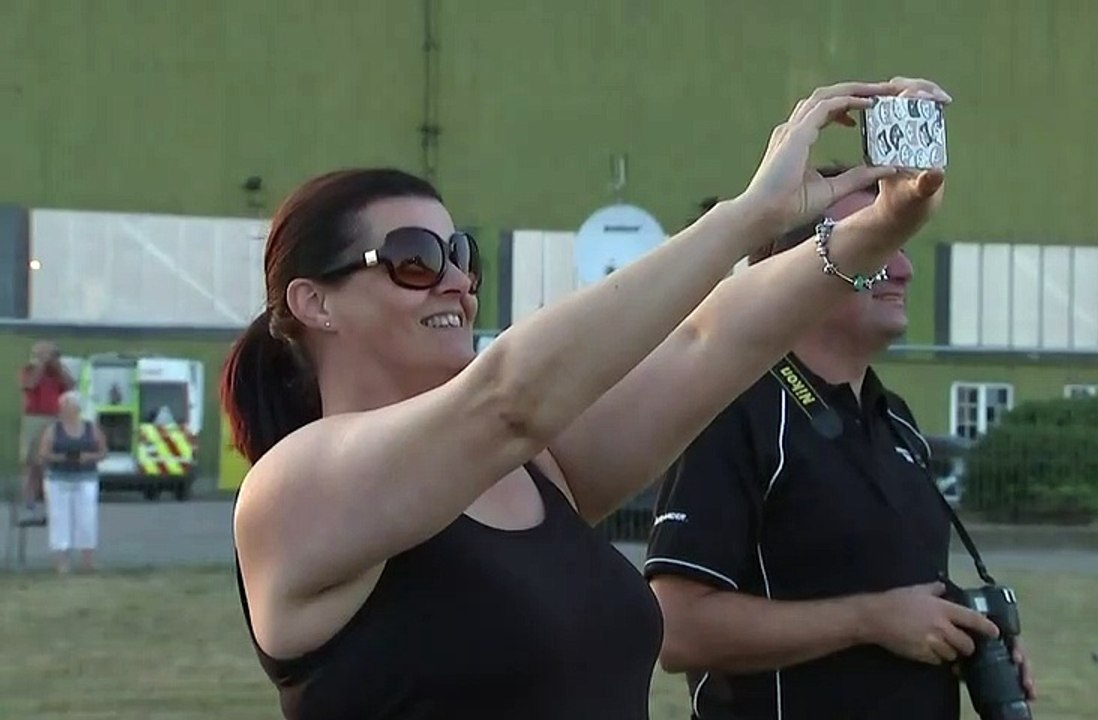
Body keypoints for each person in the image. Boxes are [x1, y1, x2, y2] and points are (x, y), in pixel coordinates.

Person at [224, 76, 952, 720]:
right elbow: (507, 396)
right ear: (314, 303)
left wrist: (878, 228)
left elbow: (710, 341)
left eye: (462, 254)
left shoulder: (537, 469)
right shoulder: (293, 495)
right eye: (414, 258)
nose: (456, 280)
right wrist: (747, 216)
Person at [643, 171, 1036, 719]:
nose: (903, 267)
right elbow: (678, 629)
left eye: (901, 245)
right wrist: (869, 620)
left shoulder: (896, 420)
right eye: (875, 242)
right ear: (802, 265)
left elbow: (897, 599)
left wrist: (968, 631)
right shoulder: (735, 407)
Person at [37, 391, 106, 574]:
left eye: (69, 406)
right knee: (60, 519)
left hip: (86, 478)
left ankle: (88, 561)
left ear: (77, 408)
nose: (65, 410)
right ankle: (62, 562)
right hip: (58, 479)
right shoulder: (53, 429)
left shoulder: (91, 428)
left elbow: (103, 452)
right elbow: (43, 453)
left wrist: (89, 457)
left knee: (87, 519)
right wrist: (61, 458)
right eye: (63, 407)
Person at [16, 341, 75, 525]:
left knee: (51, 465)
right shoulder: (28, 370)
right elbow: (30, 385)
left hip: (54, 418)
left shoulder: (56, 374)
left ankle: (52, 509)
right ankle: (29, 507)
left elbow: (70, 385)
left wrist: (56, 365)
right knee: (32, 465)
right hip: (34, 418)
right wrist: (41, 363)